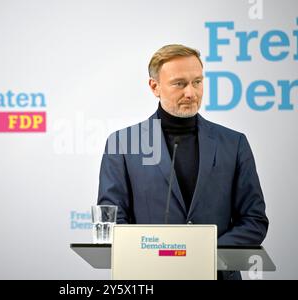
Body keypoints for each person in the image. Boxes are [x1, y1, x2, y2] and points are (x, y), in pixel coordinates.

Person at [97, 44, 269, 280]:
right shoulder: (122, 144)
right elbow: (114, 220)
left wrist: (207, 257)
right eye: (180, 84)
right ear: (154, 86)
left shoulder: (234, 143)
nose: (191, 93)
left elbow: (254, 219)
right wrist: (160, 256)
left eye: (197, 82)